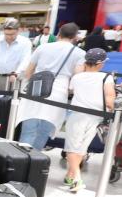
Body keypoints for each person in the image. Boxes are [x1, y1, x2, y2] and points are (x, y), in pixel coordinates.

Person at [16, 22, 85, 150]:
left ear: (59, 33)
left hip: (36, 86)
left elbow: (28, 72)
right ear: (75, 37)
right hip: (59, 91)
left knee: (29, 127)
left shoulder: (43, 48)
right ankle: (35, 160)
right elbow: (77, 78)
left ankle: (20, 159)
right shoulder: (79, 53)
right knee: (44, 131)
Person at [63, 48, 116, 193]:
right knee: (81, 148)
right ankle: (74, 177)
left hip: (77, 115)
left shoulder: (77, 77)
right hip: (96, 117)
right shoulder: (107, 78)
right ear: (100, 64)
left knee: (72, 146)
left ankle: (74, 177)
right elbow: (110, 100)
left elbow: (71, 90)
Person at [0, 18, 32, 91]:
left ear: (18, 31)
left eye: (12, 34)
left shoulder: (25, 43)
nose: (9, 37)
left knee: (9, 101)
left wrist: (16, 73)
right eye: (6, 34)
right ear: (3, 31)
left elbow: (25, 60)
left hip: (12, 78)